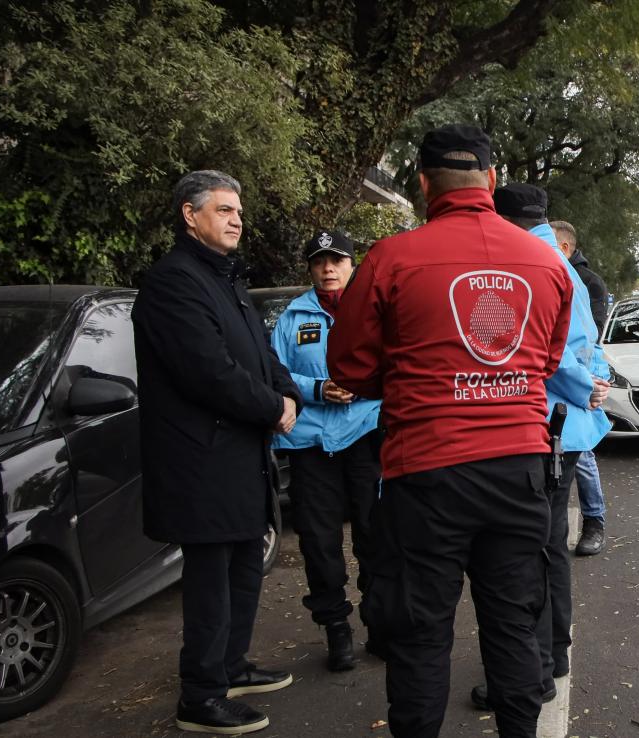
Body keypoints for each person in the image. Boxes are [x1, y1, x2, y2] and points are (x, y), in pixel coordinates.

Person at [326, 125, 583, 738]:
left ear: (421, 183)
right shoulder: (548, 263)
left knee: (420, 635)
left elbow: (350, 370)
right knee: (514, 627)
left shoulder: (391, 257)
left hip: (426, 474)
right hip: (519, 469)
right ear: (492, 181)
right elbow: (546, 364)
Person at [133, 170, 301, 735]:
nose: (236, 220)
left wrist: (289, 393)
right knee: (210, 583)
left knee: (244, 570)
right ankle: (201, 696)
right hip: (200, 462)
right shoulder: (173, 282)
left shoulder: (225, 279)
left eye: (238, 211)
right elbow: (209, 372)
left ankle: (231, 667)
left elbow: (261, 353)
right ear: (190, 214)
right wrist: (272, 408)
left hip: (239, 457)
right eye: (224, 210)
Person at [471, 186, 610, 709]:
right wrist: (592, 384)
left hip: (551, 428)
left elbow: (545, 350)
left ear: (504, 219)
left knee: (537, 549)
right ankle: (551, 656)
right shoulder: (558, 261)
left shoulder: (532, 263)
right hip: (565, 426)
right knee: (545, 545)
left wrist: (583, 386)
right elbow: (586, 344)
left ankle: (537, 668)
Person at [270, 230, 383, 672]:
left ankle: (379, 624)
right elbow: (274, 373)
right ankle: (336, 626)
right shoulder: (292, 318)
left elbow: (396, 366)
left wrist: (361, 387)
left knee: (376, 537)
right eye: (319, 262)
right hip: (311, 444)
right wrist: (317, 389)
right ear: (310, 268)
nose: (328, 269)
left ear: (352, 264)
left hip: (364, 438)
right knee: (319, 543)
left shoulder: (374, 311)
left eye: (336, 260)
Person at [549, 219, 609, 557]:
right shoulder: (547, 273)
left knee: (583, 455)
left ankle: (594, 521)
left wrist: (589, 385)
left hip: (580, 385)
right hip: (562, 386)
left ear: (565, 248)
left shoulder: (587, 283)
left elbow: (589, 340)